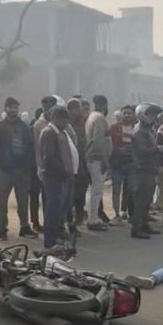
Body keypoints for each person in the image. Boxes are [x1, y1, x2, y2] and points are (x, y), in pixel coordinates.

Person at [0, 98, 37, 239]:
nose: (13, 110)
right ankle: (1, 229)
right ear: (5, 108)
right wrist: (1, 163)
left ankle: (24, 227)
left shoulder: (24, 127)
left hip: (22, 170)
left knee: (23, 201)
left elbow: (30, 146)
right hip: (5, 170)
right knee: (2, 202)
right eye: (10, 107)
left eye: (15, 107)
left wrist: (28, 164)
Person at [40, 105, 77, 252]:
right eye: (63, 120)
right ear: (54, 118)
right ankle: (49, 242)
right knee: (52, 209)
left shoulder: (61, 132)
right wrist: (63, 170)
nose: (65, 123)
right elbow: (49, 158)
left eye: (66, 120)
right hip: (54, 177)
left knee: (60, 209)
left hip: (64, 176)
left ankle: (56, 236)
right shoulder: (49, 133)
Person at [130, 103, 163, 239]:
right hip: (141, 170)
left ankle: (144, 225)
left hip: (149, 169)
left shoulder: (149, 130)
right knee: (141, 201)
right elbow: (142, 151)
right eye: (151, 115)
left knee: (147, 200)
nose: (154, 117)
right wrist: (158, 149)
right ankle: (137, 228)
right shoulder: (139, 131)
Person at [83, 95, 112, 232]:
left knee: (95, 191)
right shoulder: (99, 118)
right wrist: (104, 160)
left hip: (93, 157)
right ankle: (92, 220)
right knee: (96, 191)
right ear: (104, 105)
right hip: (97, 158)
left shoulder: (92, 117)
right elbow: (99, 141)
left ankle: (93, 217)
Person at [109, 105, 135, 224]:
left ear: (133, 115)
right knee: (116, 189)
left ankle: (128, 212)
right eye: (125, 113)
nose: (127, 115)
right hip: (116, 163)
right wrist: (118, 150)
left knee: (130, 189)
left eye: (129, 113)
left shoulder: (136, 128)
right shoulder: (114, 128)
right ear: (121, 114)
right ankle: (116, 214)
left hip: (131, 163)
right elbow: (109, 144)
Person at [68, 98, 89, 228]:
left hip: (83, 160)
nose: (75, 111)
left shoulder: (85, 122)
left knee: (81, 190)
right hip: (70, 161)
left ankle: (79, 215)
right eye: (72, 108)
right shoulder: (66, 123)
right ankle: (70, 219)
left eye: (77, 107)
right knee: (71, 192)